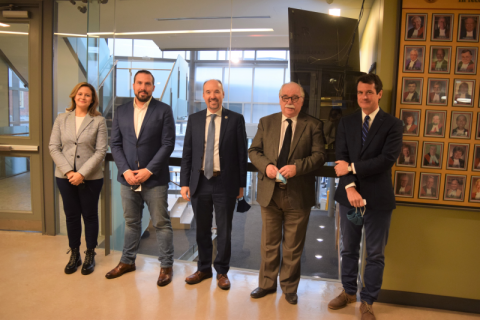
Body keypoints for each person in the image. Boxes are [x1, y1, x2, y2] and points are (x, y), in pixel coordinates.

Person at [329, 73, 402, 320]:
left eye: (369, 92)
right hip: (349, 198)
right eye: (360, 92)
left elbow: (386, 160)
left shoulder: (392, 124)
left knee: (375, 253)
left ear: (379, 93)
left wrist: (351, 168)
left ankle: (368, 300)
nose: (364, 97)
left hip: (378, 200)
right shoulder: (347, 123)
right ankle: (349, 291)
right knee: (348, 248)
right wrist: (349, 186)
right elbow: (340, 155)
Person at [248, 82, 325, 305]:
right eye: (285, 97)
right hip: (270, 193)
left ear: (302, 100)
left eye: (294, 98)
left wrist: (297, 167)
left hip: (298, 194)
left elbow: (319, 156)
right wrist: (266, 166)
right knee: (269, 243)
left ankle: (289, 288)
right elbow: (254, 151)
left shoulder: (313, 125)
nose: (289, 102)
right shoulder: (266, 122)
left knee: (293, 246)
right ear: (279, 99)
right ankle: (267, 284)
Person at [106, 70, 176, 287]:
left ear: (153, 87)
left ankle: (166, 265)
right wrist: (126, 170)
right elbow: (115, 144)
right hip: (127, 179)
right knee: (131, 223)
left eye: (148, 84)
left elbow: (168, 144)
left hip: (154, 180)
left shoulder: (163, 110)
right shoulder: (121, 111)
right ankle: (127, 261)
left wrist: (149, 170)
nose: (143, 87)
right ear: (133, 85)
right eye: (139, 83)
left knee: (162, 223)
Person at [180, 79, 247, 290]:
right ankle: (203, 269)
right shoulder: (195, 119)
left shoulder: (235, 119)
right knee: (201, 229)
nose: (212, 96)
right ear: (203, 96)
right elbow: (187, 154)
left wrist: (241, 185)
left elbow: (241, 154)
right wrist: (184, 183)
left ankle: (222, 272)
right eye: (208, 92)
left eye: (216, 92)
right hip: (199, 182)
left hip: (225, 182)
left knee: (225, 230)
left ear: (223, 94)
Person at [49, 82, 108, 275]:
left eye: (88, 95)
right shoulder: (61, 118)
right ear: (74, 96)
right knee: (71, 215)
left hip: (90, 178)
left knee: (90, 215)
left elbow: (100, 151)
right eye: (80, 94)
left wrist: (81, 173)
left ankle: (90, 253)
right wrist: (68, 172)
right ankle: (74, 253)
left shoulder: (99, 121)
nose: (83, 97)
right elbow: (53, 147)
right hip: (64, 177)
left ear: (92, 99)